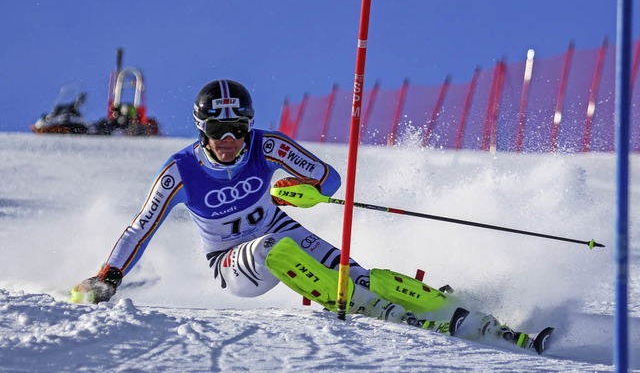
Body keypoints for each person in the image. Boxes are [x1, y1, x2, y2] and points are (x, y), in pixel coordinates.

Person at [72, 80, 543, 351]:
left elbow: (329, 179)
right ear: (202, 130)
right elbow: (141, 226)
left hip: (281, 229)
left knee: (360, 273)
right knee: (278, 248)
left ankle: (455, 311)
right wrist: (108, 276)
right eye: (218, 130)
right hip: (232, 263)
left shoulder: (267, 145)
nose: (230, 139)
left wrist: (302, 190)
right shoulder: (180, 171)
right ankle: (364, 307)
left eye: (237, 128)